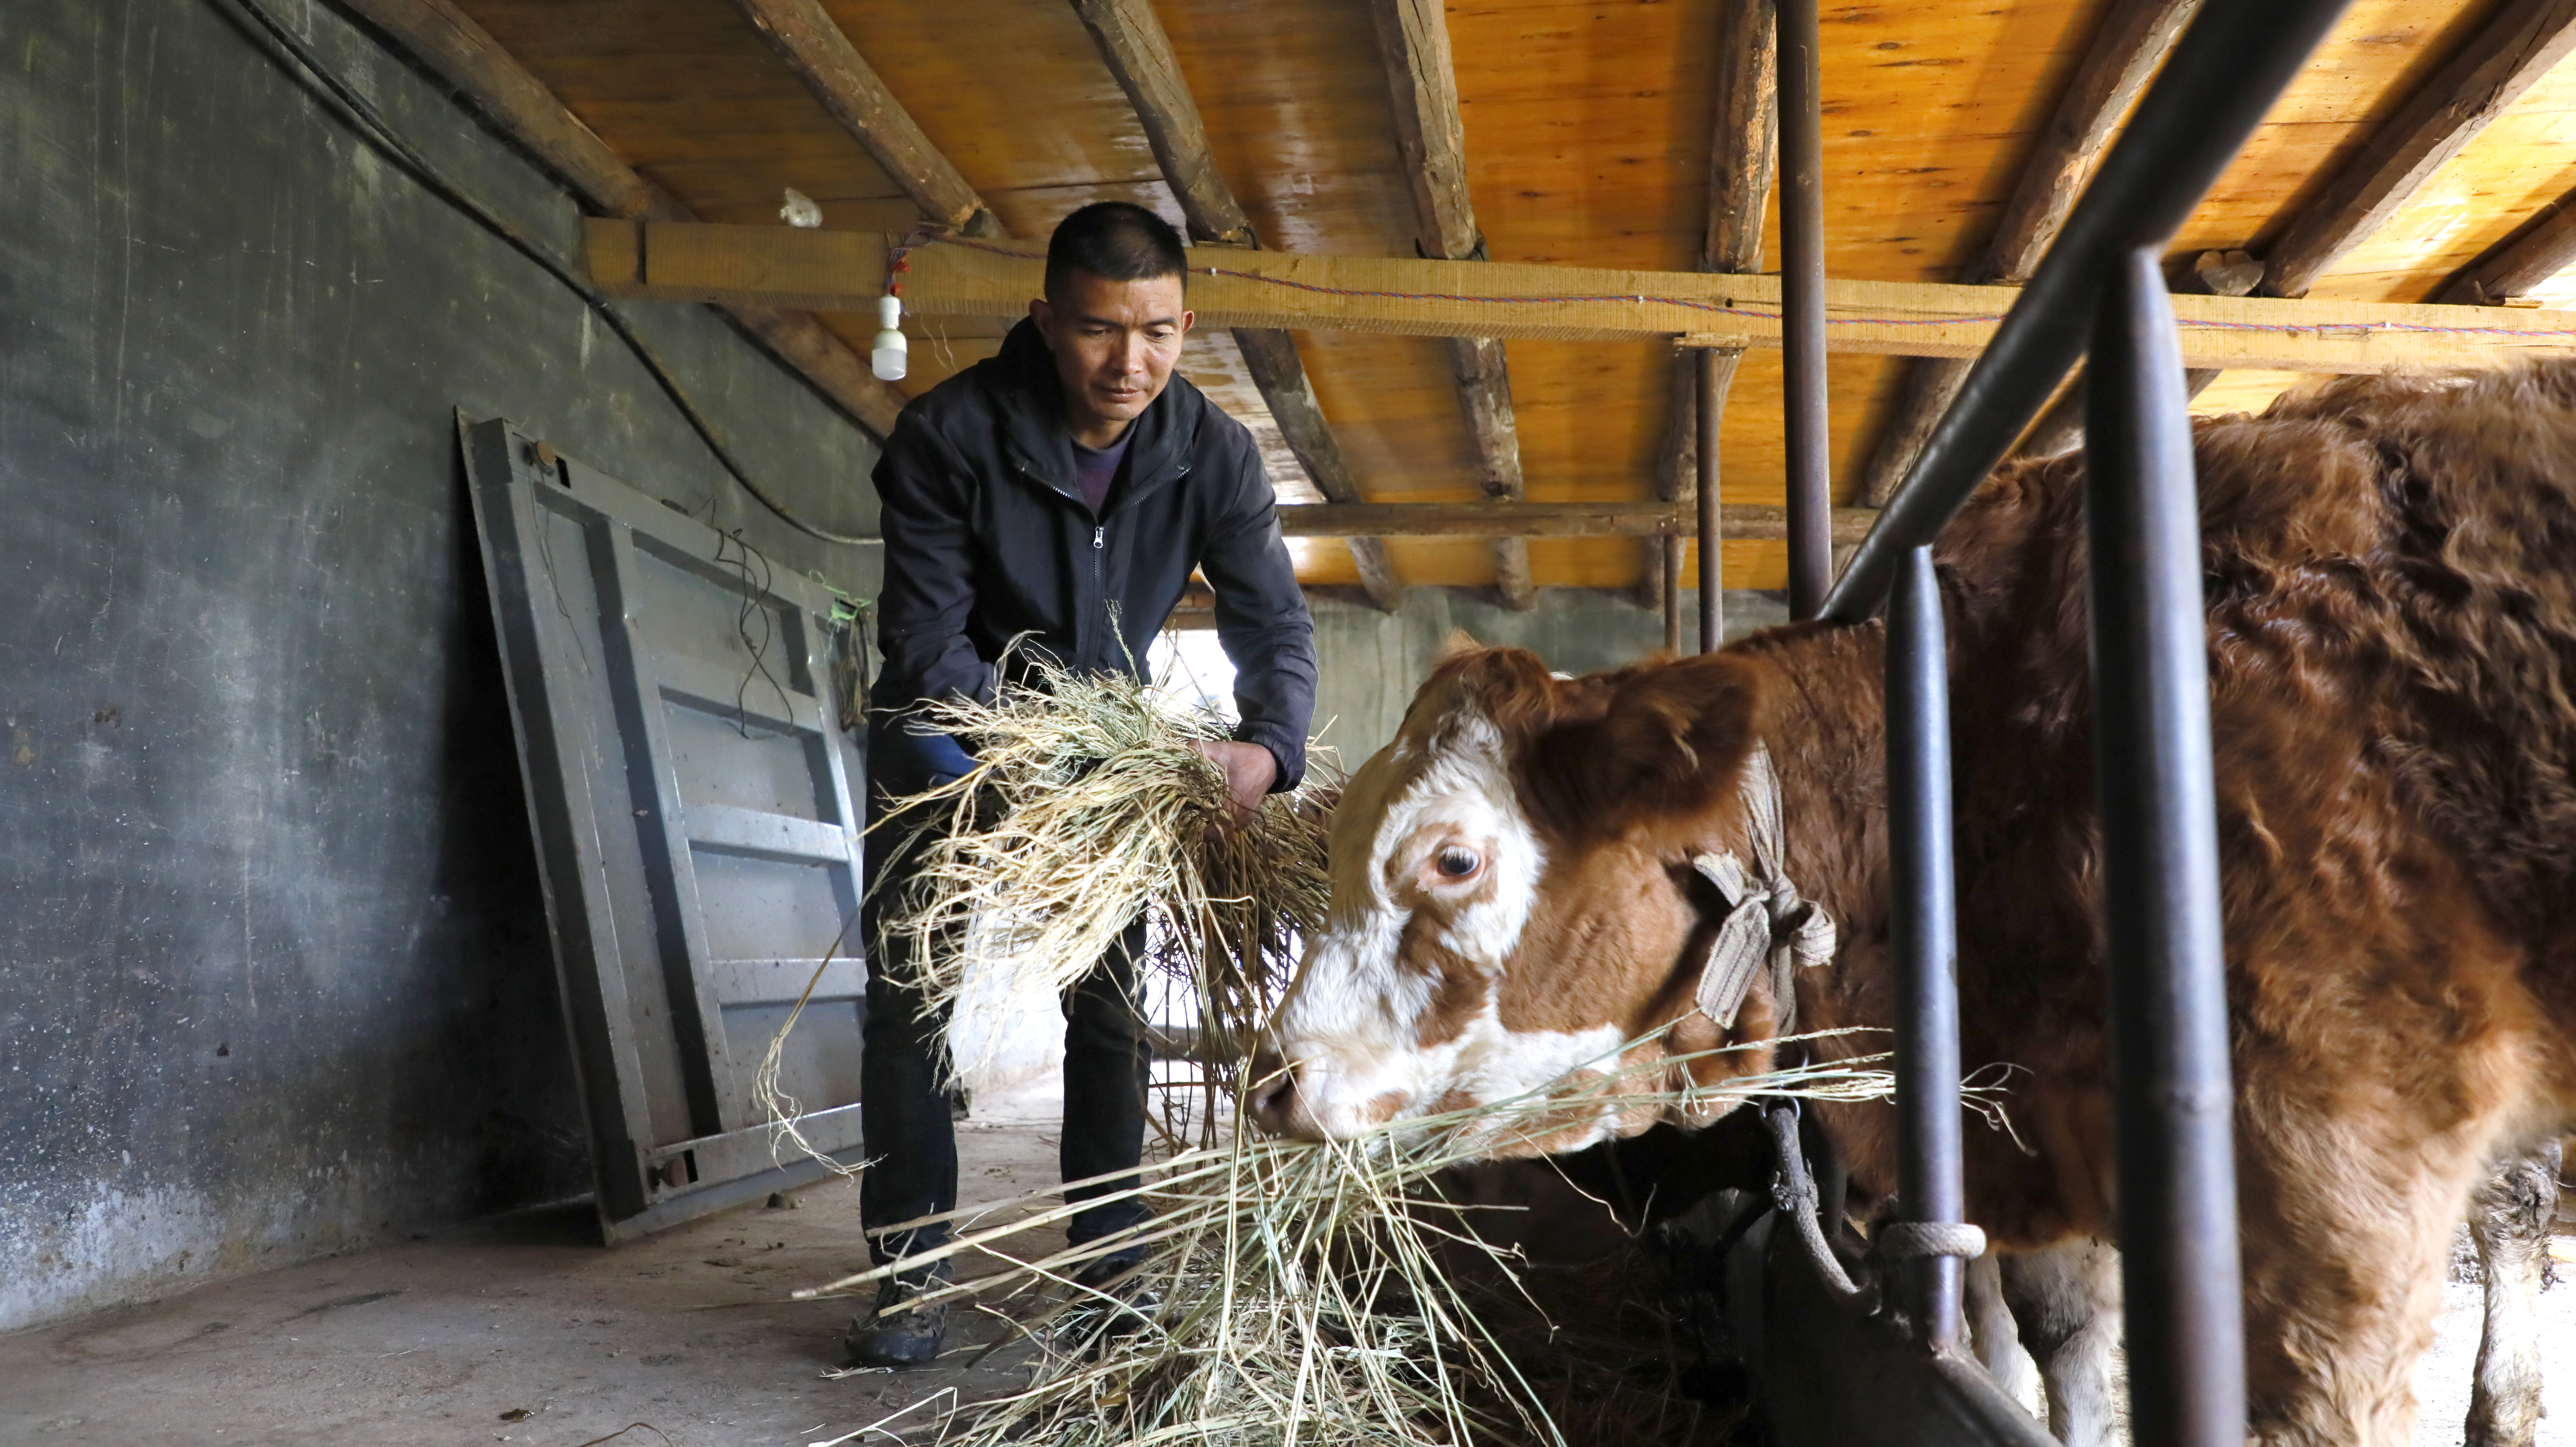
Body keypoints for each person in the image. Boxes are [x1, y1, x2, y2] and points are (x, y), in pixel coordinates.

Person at [848, 201, 1318, 1367]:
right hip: (946, 753)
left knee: (1108, 1016)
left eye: (1157, 332)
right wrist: (1049, 757)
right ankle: (909, 1281)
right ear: (1049, 322)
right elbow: (926, 643)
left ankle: (1111, 1277)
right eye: (1103, 331)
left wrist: (1268, 748)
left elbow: (1276, 621)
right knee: (910, 1009)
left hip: (1104, 772)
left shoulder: (1210, 450)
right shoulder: (948, 435)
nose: (1131, 363)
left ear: (1186, 322)